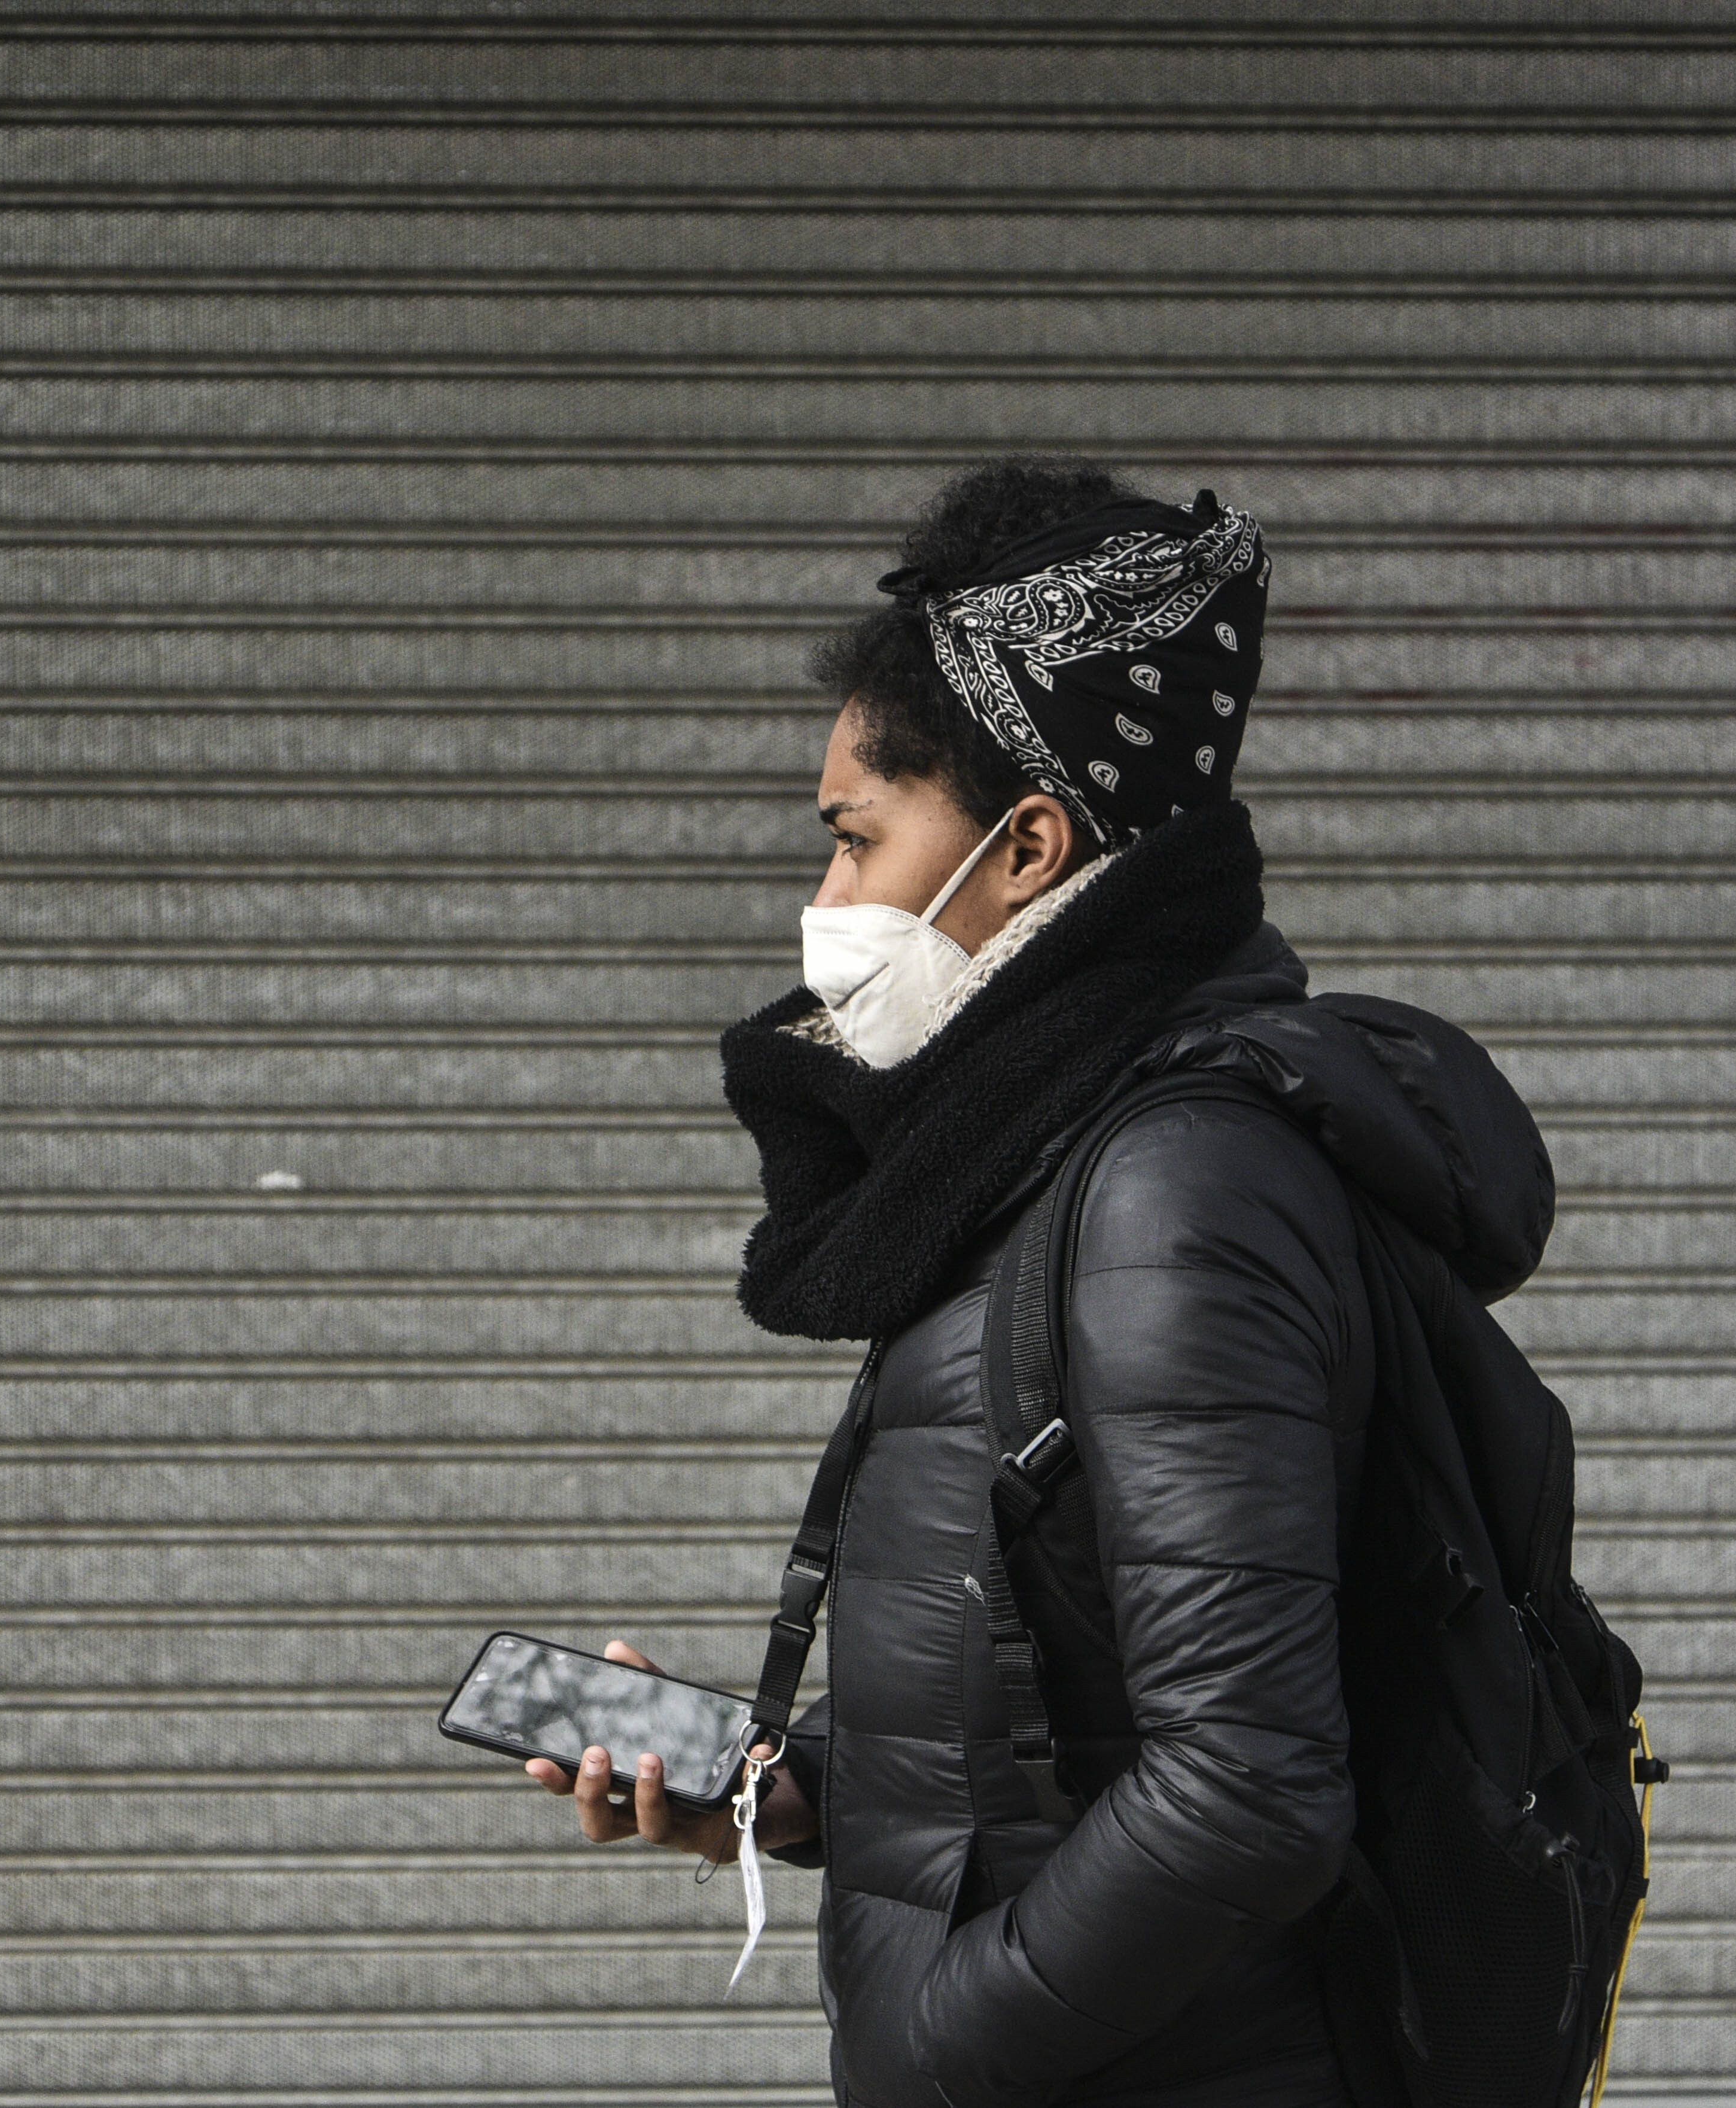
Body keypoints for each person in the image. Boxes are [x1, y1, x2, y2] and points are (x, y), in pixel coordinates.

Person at [526, 460, 1557, 2108]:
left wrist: (931, 2052)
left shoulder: (1168, 1188)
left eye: (856, 841)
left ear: (1025, 844)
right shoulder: (1040, 1158)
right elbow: (1071, 1712)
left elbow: (1245, 1789)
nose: (827, 908)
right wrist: (789, 1791)